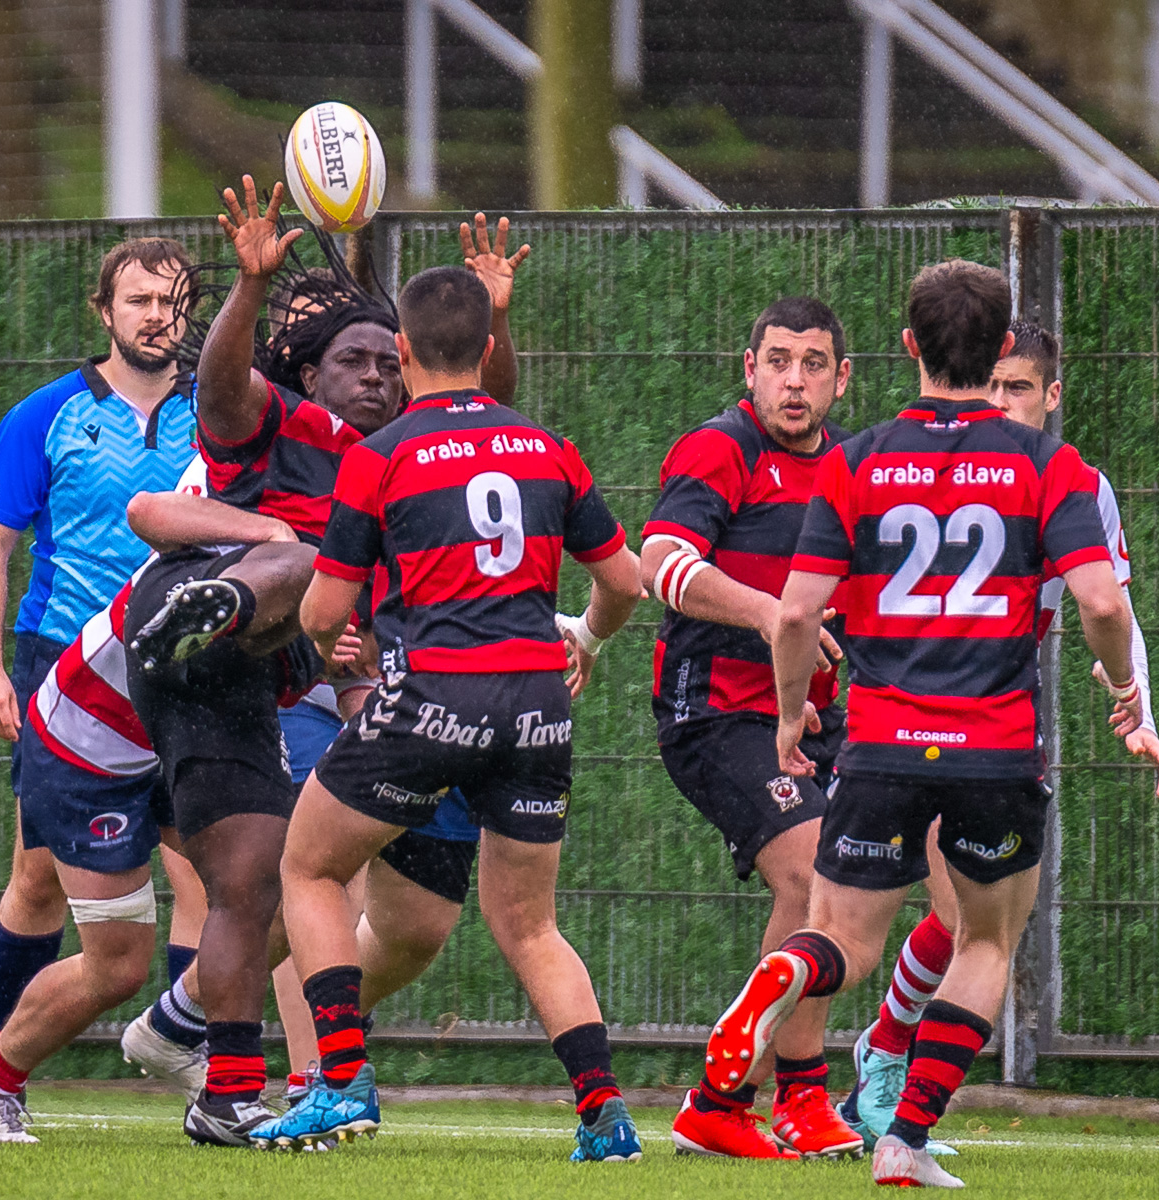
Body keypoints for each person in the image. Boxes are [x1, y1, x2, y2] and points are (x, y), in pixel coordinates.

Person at [692, 260, 1142, 1188]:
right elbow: (1100, 597)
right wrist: (1125, 681)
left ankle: (781, 979)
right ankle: (904, 1140)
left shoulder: (857, 459)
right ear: (1000, 351)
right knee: (984, 941)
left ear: (907, 348)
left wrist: (786, 720)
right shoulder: (1045, 464)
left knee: (845, 942)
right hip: (996, 748)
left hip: (878, 744)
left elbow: (794, 614)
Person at [120, 178, 527, 1146]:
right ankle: (318, 1078)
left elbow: (490, 404)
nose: (381, 377)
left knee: (297, 890)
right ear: (306, 372)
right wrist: (251, 288)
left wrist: (492, 322)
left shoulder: (412, 456)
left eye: (391, 362)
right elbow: (219, 390)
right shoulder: (284, 426)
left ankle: (211, 1068)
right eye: (356, 361)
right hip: (200, 646)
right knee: (314, 871)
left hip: (295, 676)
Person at [251, 264, 648, 1162]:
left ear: (401, 351)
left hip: (432, 695)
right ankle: (605, 1117)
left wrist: (327, 643)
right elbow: (623, 582)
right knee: (531, 925)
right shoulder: (546, 446)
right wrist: (582, 636)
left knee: (307, 868)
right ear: (488, 349)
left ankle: (338, 1085)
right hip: (539, 707)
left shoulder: (379, 456)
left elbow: (321, 611)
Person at [839, 320, 1159, 1149]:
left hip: (992, 719)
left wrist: (1137, 705)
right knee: (956, 917)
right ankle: (868, 1074)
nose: (1000, 402)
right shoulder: (916, 461)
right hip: (905, 713)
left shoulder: (1071, 483)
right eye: (990, 384)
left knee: (962, 915)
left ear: (1051, 395)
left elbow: (1112, 607)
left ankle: (870, 1069)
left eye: (1019, 387)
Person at [0, 469, 288, 1142]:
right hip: (86, 747)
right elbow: (150, 510)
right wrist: (272, 533)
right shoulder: (248, 500)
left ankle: (173, 1031)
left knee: (279, 884)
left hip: (173, 736)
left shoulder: (329, 520)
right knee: (119, 963)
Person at [0, 237, 201, 1033]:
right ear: (104, 311)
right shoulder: (46, 414)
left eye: (171, 300)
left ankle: (202, 1063)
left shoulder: (224, 412)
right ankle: (1, 1060)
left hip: (190, 666)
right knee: (36, 877)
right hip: (64, 665)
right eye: (139, 300)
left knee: (206, 862)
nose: (156, 316)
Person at [645, 297, 861, 1160]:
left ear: (841, 379)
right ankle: (765, 1098)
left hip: (817, 716)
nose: (794, 380)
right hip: (715, 710)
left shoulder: (851, 463)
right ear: (750, 369)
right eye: (778, 361)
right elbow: (658, 561)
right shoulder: (720, 449)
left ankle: (756, 1100)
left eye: (813, 364)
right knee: (812, 874)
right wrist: (772, 618)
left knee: (848, 897)